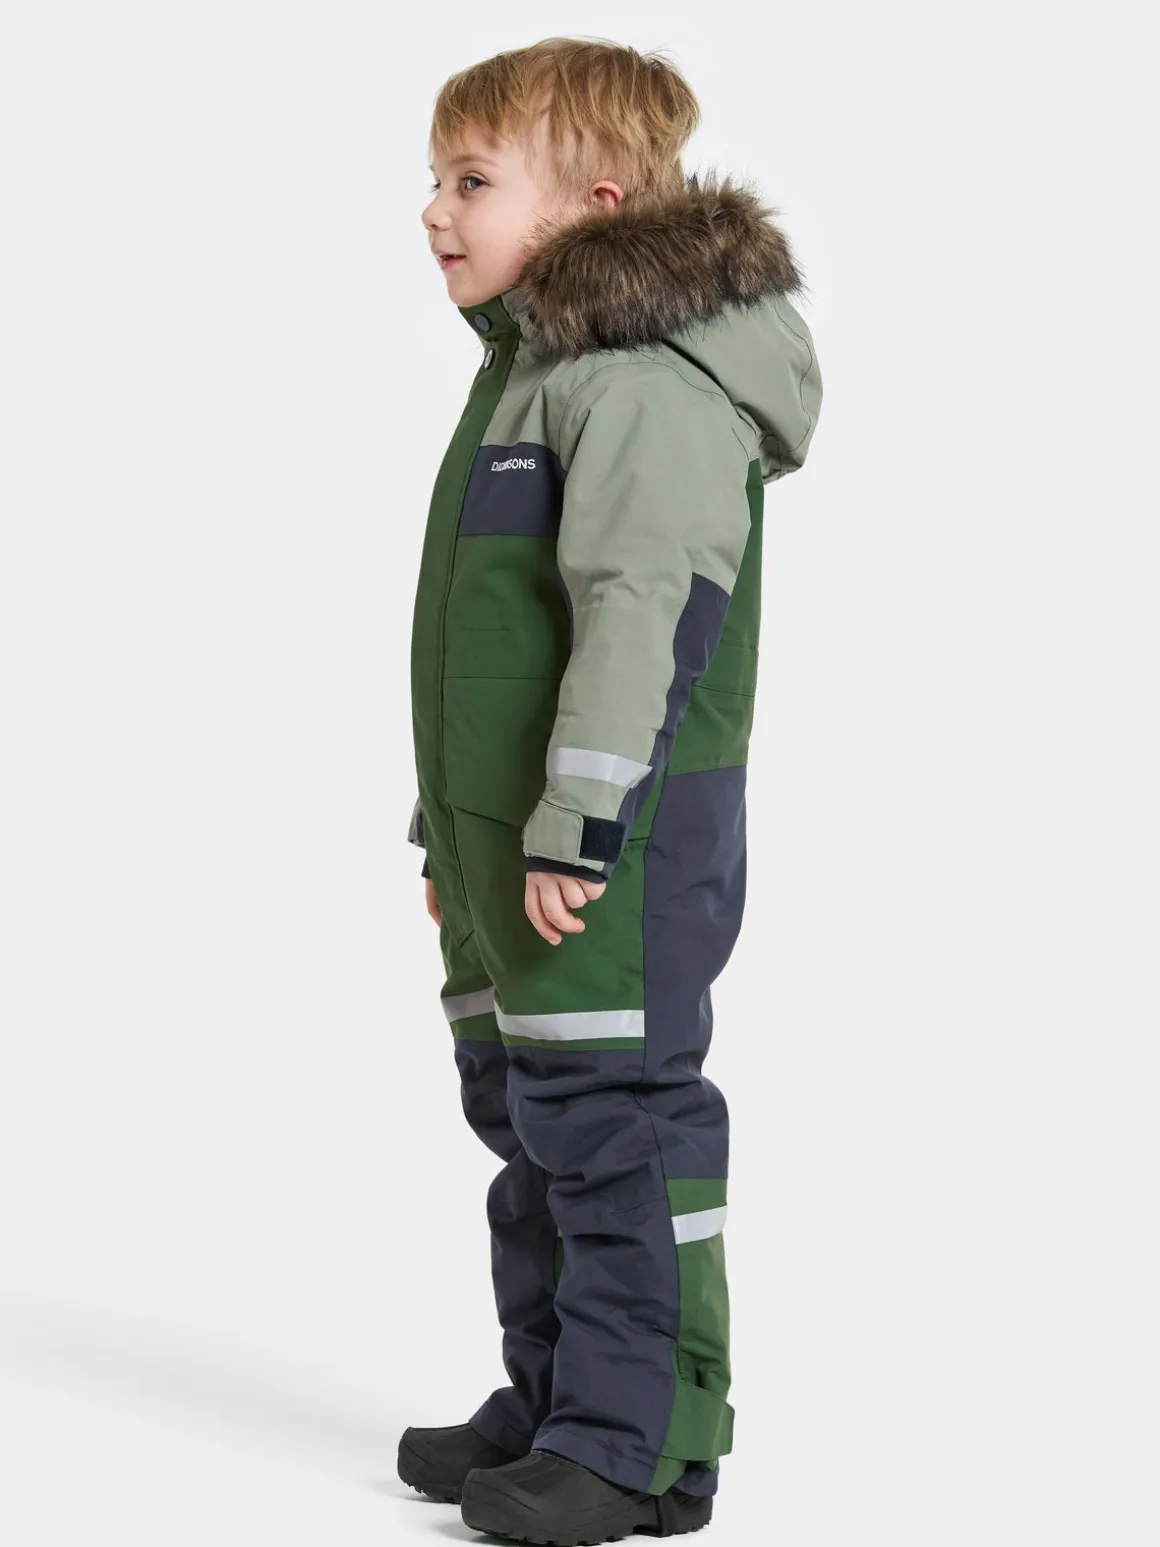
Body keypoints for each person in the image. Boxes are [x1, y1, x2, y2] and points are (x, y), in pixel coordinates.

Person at [397, 35, 823, 1545]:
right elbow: (493, 646)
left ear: (593, 203)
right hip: (514, 841)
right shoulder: (534, 378)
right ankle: (559, 1398)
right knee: (533, 1119)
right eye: (433, 180)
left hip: (614, 840)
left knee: (616, 1119)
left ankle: (642, 1444)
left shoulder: (642, 389)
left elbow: (645, 619)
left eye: (470, 180)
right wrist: (446, 838)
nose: (433, 211)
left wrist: (579, 826)